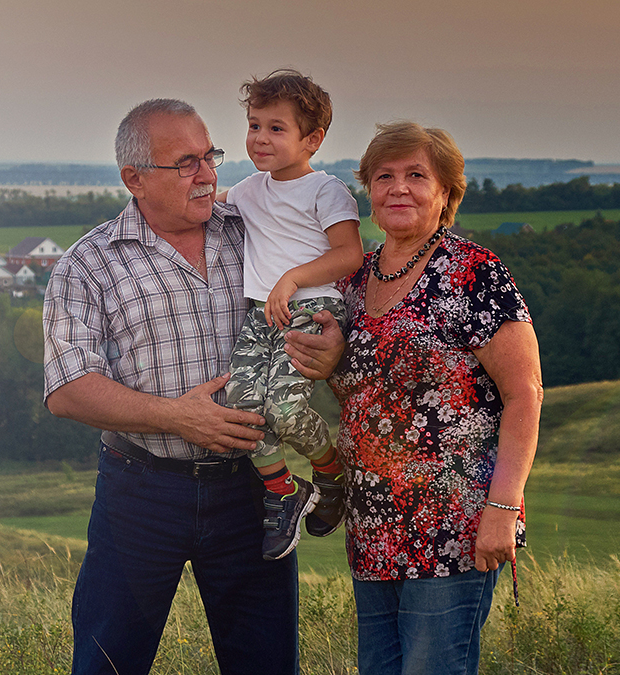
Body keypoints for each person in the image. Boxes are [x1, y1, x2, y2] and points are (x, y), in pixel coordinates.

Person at [43, 98, 344, 675]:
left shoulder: (253, 228)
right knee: (109, 661)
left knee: (266, 663)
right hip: (141, 494)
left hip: (253, 492)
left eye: (211, 156)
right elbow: (68, 388)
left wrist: (332, 348)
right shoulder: (88, 264)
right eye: (185, 163)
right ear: (134, 178)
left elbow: (334, 302)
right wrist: (177, 417)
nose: (207, 174)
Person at [328, 121, 542, 675]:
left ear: (446, 192)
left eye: (416, 175)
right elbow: (362, 391)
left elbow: (525, 393)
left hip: (455, 525)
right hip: (373, 525)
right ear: (369, 193)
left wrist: (502, 507)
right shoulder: (355, 281)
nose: (398, 188)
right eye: (384, 176)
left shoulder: (474, 272)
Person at [217, 69, 364, 560]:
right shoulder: (248, 189)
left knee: (283, 409)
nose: (260, 137)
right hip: (263, 314)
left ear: (313, 139)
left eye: (276, 128)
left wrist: (293, 278)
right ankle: (284, 490)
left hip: (310, 306)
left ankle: (329, 470)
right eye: (254, 124)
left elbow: (349, 255)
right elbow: (209, 205)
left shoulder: (326, 191)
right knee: (238, 410)